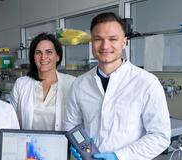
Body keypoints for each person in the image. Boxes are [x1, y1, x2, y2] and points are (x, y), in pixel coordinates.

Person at [63, 12, 171, 160]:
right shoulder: (80, 84)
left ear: (124, 42)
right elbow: (71, 125)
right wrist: (77, 146)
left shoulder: (147, 83)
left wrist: (118, 156)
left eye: (113, 39)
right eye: (98, 39)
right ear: (91, 43)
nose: (105, 45)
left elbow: (160, 136)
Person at [10, 32, 75, 131]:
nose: (43, 57)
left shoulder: (72, 83)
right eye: (38, 52)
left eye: (49, 52)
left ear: (58, 56)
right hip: (28, 144)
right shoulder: (21, 84)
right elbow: (11, 120)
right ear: (33, 57)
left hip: (61, 145)